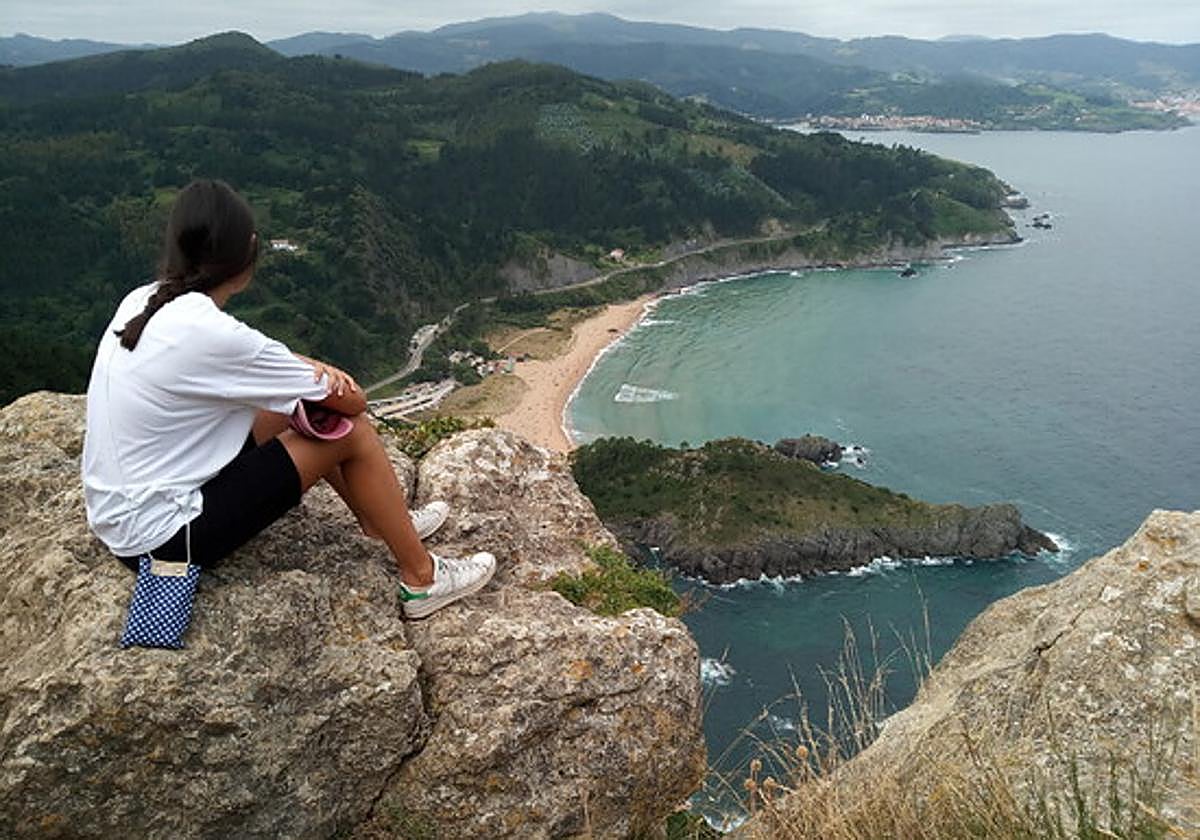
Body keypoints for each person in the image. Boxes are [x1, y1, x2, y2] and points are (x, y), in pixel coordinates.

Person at [82, 179, 495, 619]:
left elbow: (265, 375)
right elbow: (352, 401)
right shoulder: (211, 332)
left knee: (297, 406)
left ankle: (383, 519)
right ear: (250, 251)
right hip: (163, 537)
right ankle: (422, 577)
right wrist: (311, 372)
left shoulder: (143, 299)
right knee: (346, 429)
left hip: (119, 513)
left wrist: (291, 373)